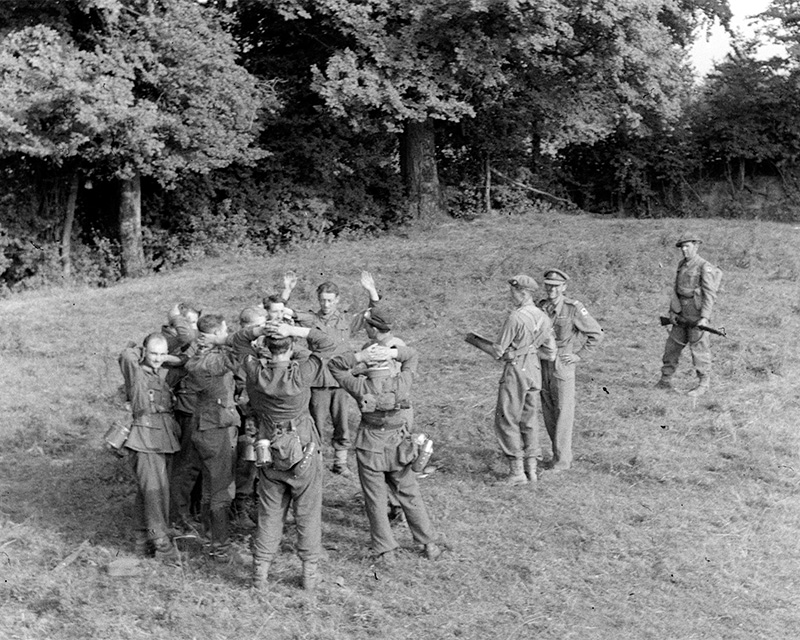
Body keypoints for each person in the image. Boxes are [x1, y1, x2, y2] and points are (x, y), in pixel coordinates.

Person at [227, 320, 336, 591]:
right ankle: (309, 575)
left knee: (270, 513)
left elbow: (238, 341)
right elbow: (327, 344)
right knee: (308, 513)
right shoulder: (300, 374)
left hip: (268, 450)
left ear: (265, 347)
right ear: (291, 347)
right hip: (304, 451)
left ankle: (259, 576)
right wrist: (294, 330)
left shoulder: (256, 372)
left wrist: (261, 330)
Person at [328, 339, 442, 564]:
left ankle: (385, 550)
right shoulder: (401, 384)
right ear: (388, 364)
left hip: (370, 447)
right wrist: (391, 352)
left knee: (375, 500)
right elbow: (411, 356)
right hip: (399, 447)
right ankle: (429, 543)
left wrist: (360, 357)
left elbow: (335, 365)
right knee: (409, 494)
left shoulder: (359, 386)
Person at [283, 271, 380, 477]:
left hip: (341, 379)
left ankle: (340, 463)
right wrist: (287, 290)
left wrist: (371, 290)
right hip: (317, 379)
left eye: (330, 300)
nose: (326, 304)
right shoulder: (311, 318)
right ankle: (315, 460)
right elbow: (282, 312)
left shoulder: (347, 320)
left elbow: (373, 314)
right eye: (322, 300)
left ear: (337, 300)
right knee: (316, 422)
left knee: (341, 421)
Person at [184, 314, 244, 563]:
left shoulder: (198, 357)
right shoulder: (212, 361)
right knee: (220, 490)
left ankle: (211, 539)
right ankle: (220, 548)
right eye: (224, 329)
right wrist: (225, 339)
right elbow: (239, 352)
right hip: (216, 428)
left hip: (204, 426)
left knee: (210, 489)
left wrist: (218, 339)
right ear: (217, 332)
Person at [118, 333, 182, 564]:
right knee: (156, 493)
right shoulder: (136, 372)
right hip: (144, 438)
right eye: (153, 353)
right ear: (145, 351)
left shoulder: (162, 372)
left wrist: (169, 359)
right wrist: (141, 351)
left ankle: (141, 539)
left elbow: (186, 344)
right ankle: (162, 545)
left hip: (163, 438)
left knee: (150, 492)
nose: (157, 359)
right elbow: (126, 354)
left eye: (161, 354)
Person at [491, 275, 556, 485]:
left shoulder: (516, 317)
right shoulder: (544, 318)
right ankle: (532, 469)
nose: (512, 296)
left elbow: (498, 349)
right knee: (529, 419)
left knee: (507, 417)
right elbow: (551, 353)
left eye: (514, 293)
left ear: (523, 293)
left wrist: (509, 353)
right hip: (534, 370)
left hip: (517, 370)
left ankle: (517, 471)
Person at [538, 269, 603, 472]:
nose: (551, 290)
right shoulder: (542, 307)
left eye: (556, 286)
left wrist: (579, 355)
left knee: (563, 413)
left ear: (564, 287)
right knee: (548, 411)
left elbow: (596, 334)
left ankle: (563, 461)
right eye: (548, 285)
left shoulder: (573, 308)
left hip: (562, 365)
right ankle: (556, 455)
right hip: (543, 364)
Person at [656, 234, 721, 397]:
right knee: (672, 347)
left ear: (696, 246)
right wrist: (672, 311)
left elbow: (709, 294)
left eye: (688, 246)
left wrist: (704, 317)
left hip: (696, 313)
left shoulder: (704, 266)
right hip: (681, 313)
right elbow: (676, 290)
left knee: (699, 348)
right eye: (682, 247)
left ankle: (703, 384)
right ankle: (665, 380)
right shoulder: (681, 265)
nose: (684, 250)